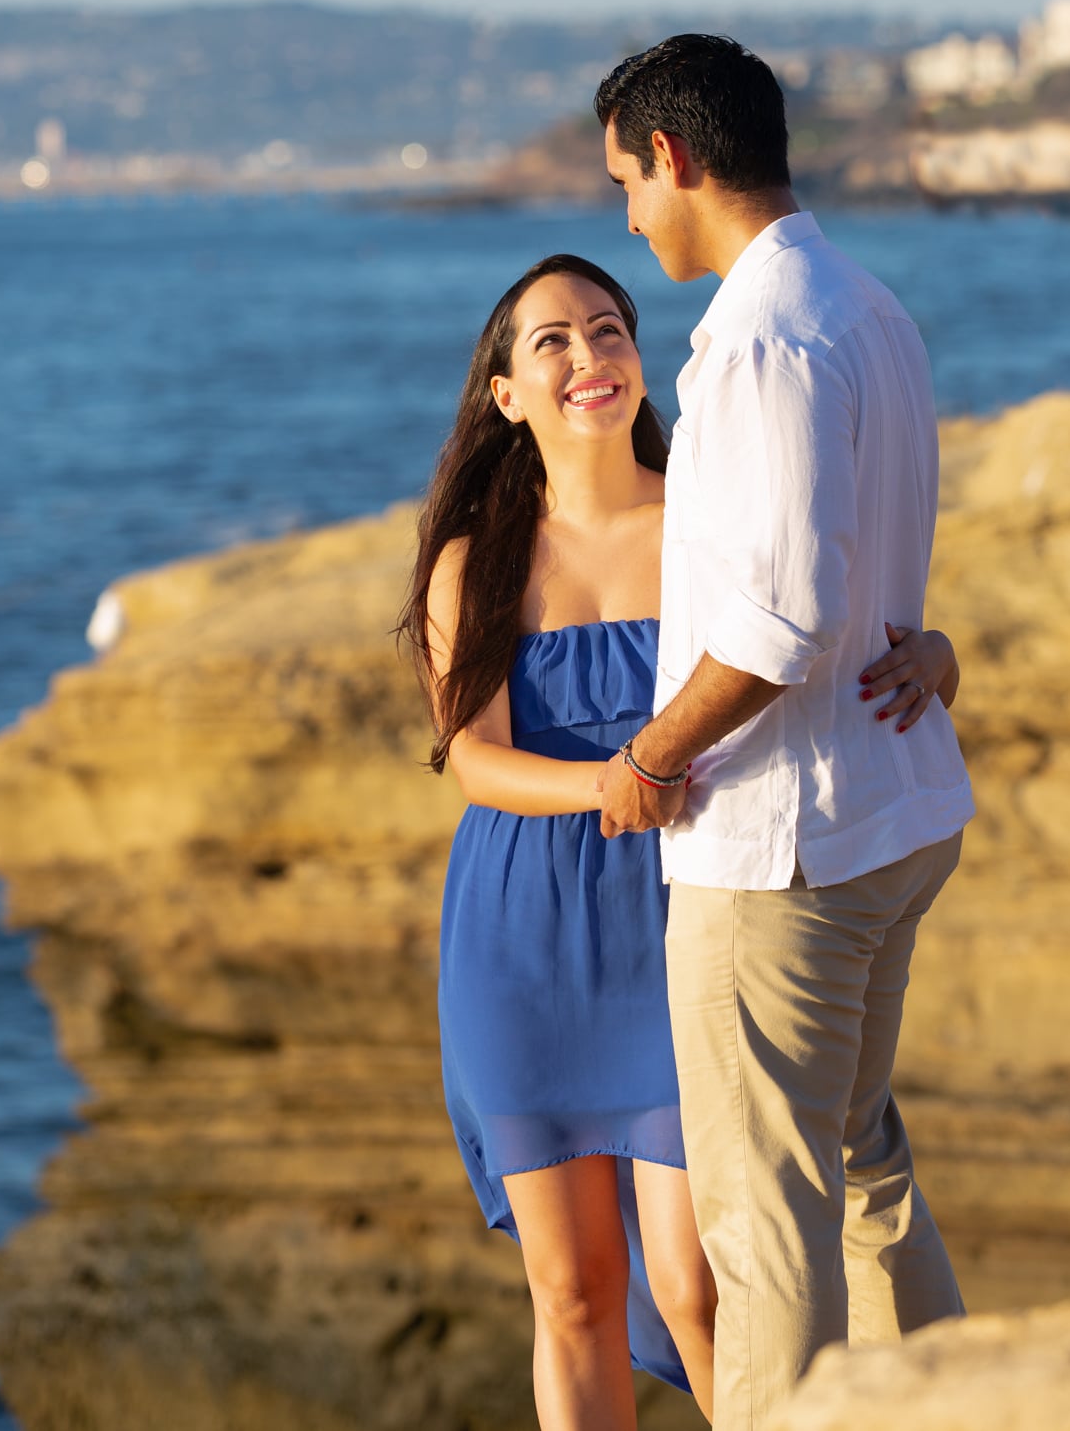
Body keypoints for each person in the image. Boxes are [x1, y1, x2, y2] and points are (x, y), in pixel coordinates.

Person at [399, 251, 960, 1431]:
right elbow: (471, 758)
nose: (587, 356)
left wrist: (937, 654)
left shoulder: (698, 519)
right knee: (571, 1291)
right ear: (504, 391)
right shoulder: (475, 561)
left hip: (682, 909)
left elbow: (817, 617)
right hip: (525, 931)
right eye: (549, 341)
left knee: (697, 1282)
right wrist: (613, 778)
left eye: (607, 330)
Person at [593, 34, 975, 1431]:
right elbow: (864, 588)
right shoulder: (866, 305)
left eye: (625, 182)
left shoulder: (757, 340)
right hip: (883, 819)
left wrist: (647, 759)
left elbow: (780, 622)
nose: (626, 216)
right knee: (861, 1168)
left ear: (675, 160)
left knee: (764, 1228)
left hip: (781, 855)